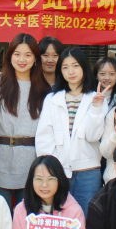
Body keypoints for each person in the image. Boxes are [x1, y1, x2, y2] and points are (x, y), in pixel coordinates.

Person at [0, 33, 50, 207]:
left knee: (28, 214)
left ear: (35, 58)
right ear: (10, 57)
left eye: (28, 55)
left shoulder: (44, 89)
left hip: (31, 162)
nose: (22, 59)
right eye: (17, 54)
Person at [35, 48, 109, 215]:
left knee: (87, 217)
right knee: (59, 219)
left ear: (83, 67)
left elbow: (93, 136)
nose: (71, 71)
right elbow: (44, 137)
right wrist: (50, 168)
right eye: (65, 67)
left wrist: (96, 107)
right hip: (58, 171)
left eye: (75, 66)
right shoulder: (52, 99)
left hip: (88, 172)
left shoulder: (96, 98)